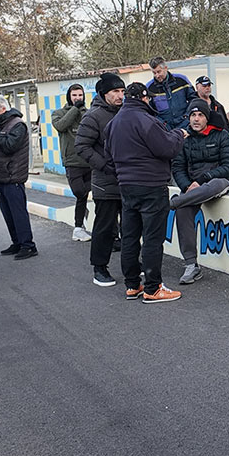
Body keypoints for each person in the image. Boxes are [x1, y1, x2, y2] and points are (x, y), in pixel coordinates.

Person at [106, 82, 187, 303]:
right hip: (151, 186)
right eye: (148, 98)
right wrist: (179, 134)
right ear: (143, 98)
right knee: (152, 238)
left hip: (126, 186)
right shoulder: (147, 121)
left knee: (130, 237)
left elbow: (108, 156)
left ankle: (133, 285)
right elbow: (167, 148)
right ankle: (153, 288)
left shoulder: (113, 123)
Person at [170, 99, 229, 284]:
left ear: (207, 118)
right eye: (193, 115)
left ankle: (173, 203)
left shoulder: (221, 135)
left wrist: (202, 179)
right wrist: (186, 186)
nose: (196, 119)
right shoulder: (184, 138)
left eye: (200, 115)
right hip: (192, 187)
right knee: (183, 210)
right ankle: (191, 265)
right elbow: (177, 167)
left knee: (214, 185)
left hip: (216, 181)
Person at [75, 73, 125, 287]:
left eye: (122, 91)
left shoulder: (127, 113)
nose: (120, 96)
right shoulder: (93, 116)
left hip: (127, 180)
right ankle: (100, 268)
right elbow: (81, 146)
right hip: (105, 182)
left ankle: (132, 264)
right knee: (104, 227)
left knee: (131, 226)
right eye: (115, 92)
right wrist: (104, 165)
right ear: (103, 94)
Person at [0, 95, 37, 260]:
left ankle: (28, 245)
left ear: (3, 108)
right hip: (1, 177)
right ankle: (17, 242)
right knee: (8, 213)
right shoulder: (0, 125)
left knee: (18, 213)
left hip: (13, 177)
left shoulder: (17, 124)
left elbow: (9, 146)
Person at [51, 83, 93, 242]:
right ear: (69, 96)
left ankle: (78, 227)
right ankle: (80, 223)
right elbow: (61, 126)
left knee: (85, 196)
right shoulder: (58, 113)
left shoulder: (88, 113)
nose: (78, 98)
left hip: (89, 160)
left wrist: (82, 110)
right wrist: (75, 109)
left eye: (80, 95)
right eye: (74, 95)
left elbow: (92, 128)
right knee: (79, 192)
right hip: (72, 161)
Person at [146, 55, 195, 130]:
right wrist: (161, 123)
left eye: (159, 72)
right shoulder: (149, 88)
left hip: (185, 125)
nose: (157, 75)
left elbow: (194, 99)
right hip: (165, 129)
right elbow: (149, 111)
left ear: (165, 68)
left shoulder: (182, 80)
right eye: (154, 73)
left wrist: (187, 116)